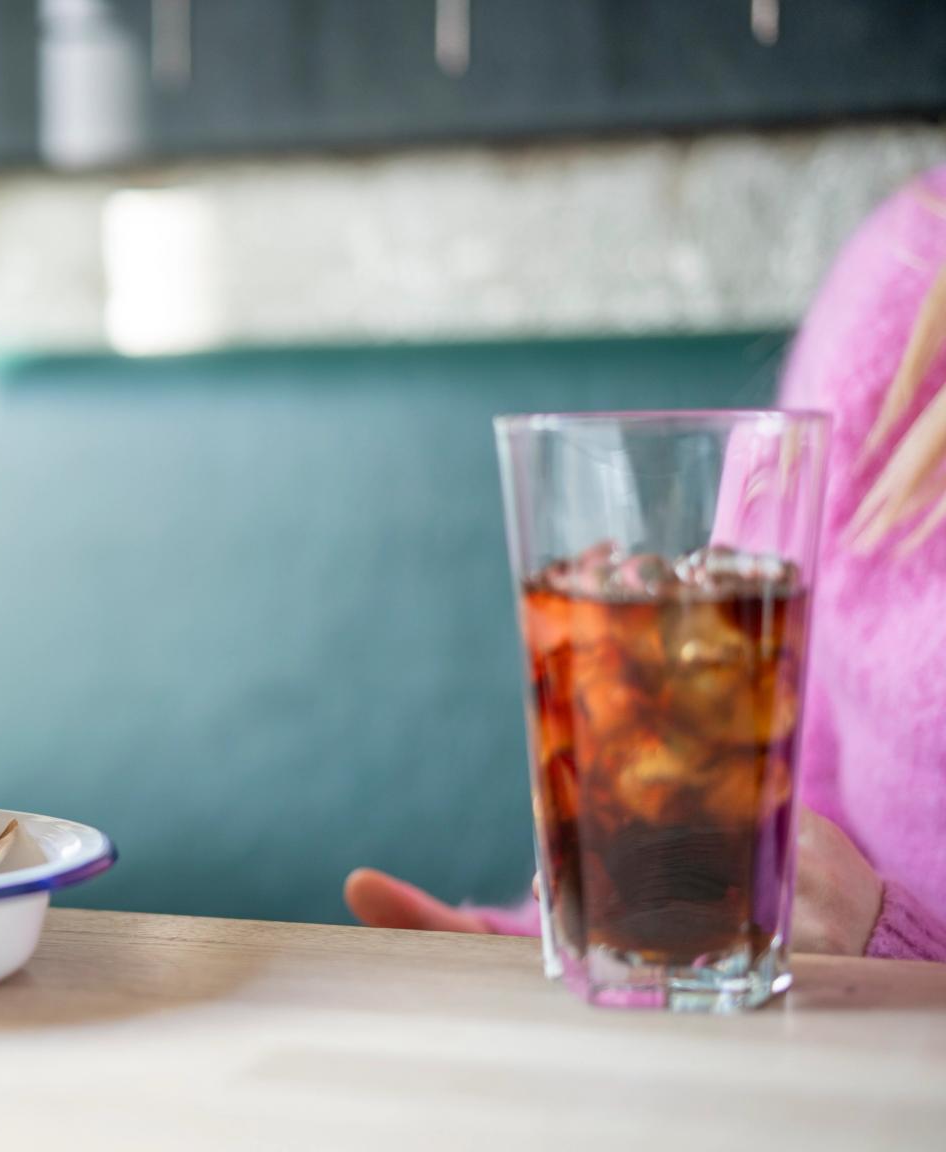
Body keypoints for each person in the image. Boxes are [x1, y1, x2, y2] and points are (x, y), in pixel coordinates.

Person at [347, 166, 946, 961]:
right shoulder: (908, 270)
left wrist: (891, 950)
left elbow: (834, 915)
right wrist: (569, 935)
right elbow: (774, 799)